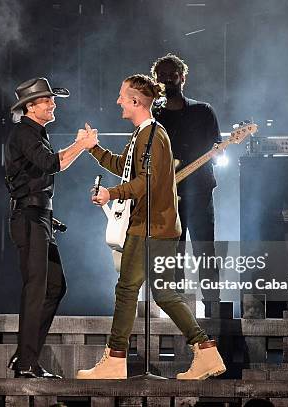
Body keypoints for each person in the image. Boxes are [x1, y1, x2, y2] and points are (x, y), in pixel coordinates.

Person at [76, 74, 225, 380]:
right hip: (155, 226)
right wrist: (93, 148)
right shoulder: (145, 133)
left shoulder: (152, 135)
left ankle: (115, 359)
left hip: (149, 227)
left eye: (122, 96)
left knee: (128, 290)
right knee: (165, 294)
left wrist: (111, 193)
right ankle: (206, 352)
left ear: (136, 101)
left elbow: (147, 181)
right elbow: (125, 167)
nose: (117, 101)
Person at [4, 77, 97, 378]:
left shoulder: (37, 133)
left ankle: (25, 356)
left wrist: (81, 148)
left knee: (55, 286)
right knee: (37, 289)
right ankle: (27, 362)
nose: (53, 104)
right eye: (47, 100)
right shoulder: (23, 133)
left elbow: (48, 167)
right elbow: (49, 163)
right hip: (29, 218)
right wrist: (81, 145)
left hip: (41, 218)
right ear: (31, 106)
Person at [151, 53, 222, 315]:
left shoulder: (203, 111)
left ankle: (213, 307)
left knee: (205, 248)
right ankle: (178, 308)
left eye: (173, 74)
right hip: (168, 195)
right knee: (174, 252)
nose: (168, 80)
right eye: (162, 76)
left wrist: (218, 152)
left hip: (201, 191)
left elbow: (217, 146)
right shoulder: (153, 115)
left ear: (183, 77)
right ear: (155, 80)